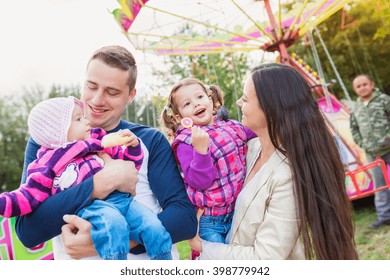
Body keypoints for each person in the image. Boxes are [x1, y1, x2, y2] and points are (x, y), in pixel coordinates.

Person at [15, 45, 197, 260]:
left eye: (112, 92)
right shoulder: (48, 142)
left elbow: (184, 218)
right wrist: (101, 184)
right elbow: (28, 231)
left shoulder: (148, 140)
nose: (97, 100)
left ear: (131, 96)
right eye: (91, 86)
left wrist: (108, 242)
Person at [188, 63, 358, 260]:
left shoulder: (288, 175)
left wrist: (202, 246)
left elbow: (266, 258)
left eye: (245, 98)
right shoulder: (248, 150)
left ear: (271, 108)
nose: (237, 102)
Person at [1, 96, 173, 260]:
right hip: (94, 207)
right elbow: (29, 195)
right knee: (114, 226)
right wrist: (4, 202)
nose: (86, 121)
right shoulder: (46, 163)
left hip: (124, 200)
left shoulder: (96, 143)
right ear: (58, 131)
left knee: (154, 226)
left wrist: (133, 148)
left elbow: (129, 165)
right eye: (78, 119)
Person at [160, 78, 256, 255]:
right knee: (215, 261)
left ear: (210, 100)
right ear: (180, 117)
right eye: (187, 104)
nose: (196, 104)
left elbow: (260, 134)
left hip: (239, 211)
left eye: (199, 97)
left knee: (240, 261)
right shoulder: (186, 142)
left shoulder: (233, 126)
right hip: (210, 221)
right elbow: (200, 182)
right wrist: (201, 151)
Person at [350, 74, 390, 229]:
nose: (362, 88)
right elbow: (354, 128)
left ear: (372, 84)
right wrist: (363, 143)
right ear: (355, 89)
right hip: (372, 153)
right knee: (379, 185)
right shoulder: (356, 107)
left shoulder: (384, 100)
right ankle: (384, 215)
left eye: (365, 84)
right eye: (358, 86)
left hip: (388, 147)